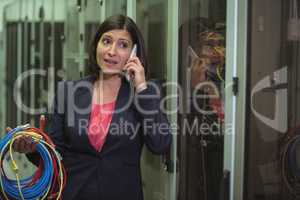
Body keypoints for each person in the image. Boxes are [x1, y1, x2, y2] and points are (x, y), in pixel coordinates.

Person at [5, 15, 172, 200]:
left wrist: (141, 86)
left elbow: (160, 144)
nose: (111, 51)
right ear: (96, 45)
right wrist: (33, 149)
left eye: (123, 45)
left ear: (134, 54)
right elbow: (56, 155)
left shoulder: (145, 94)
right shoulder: (67, 92)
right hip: (74, 193)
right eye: (106, 41)